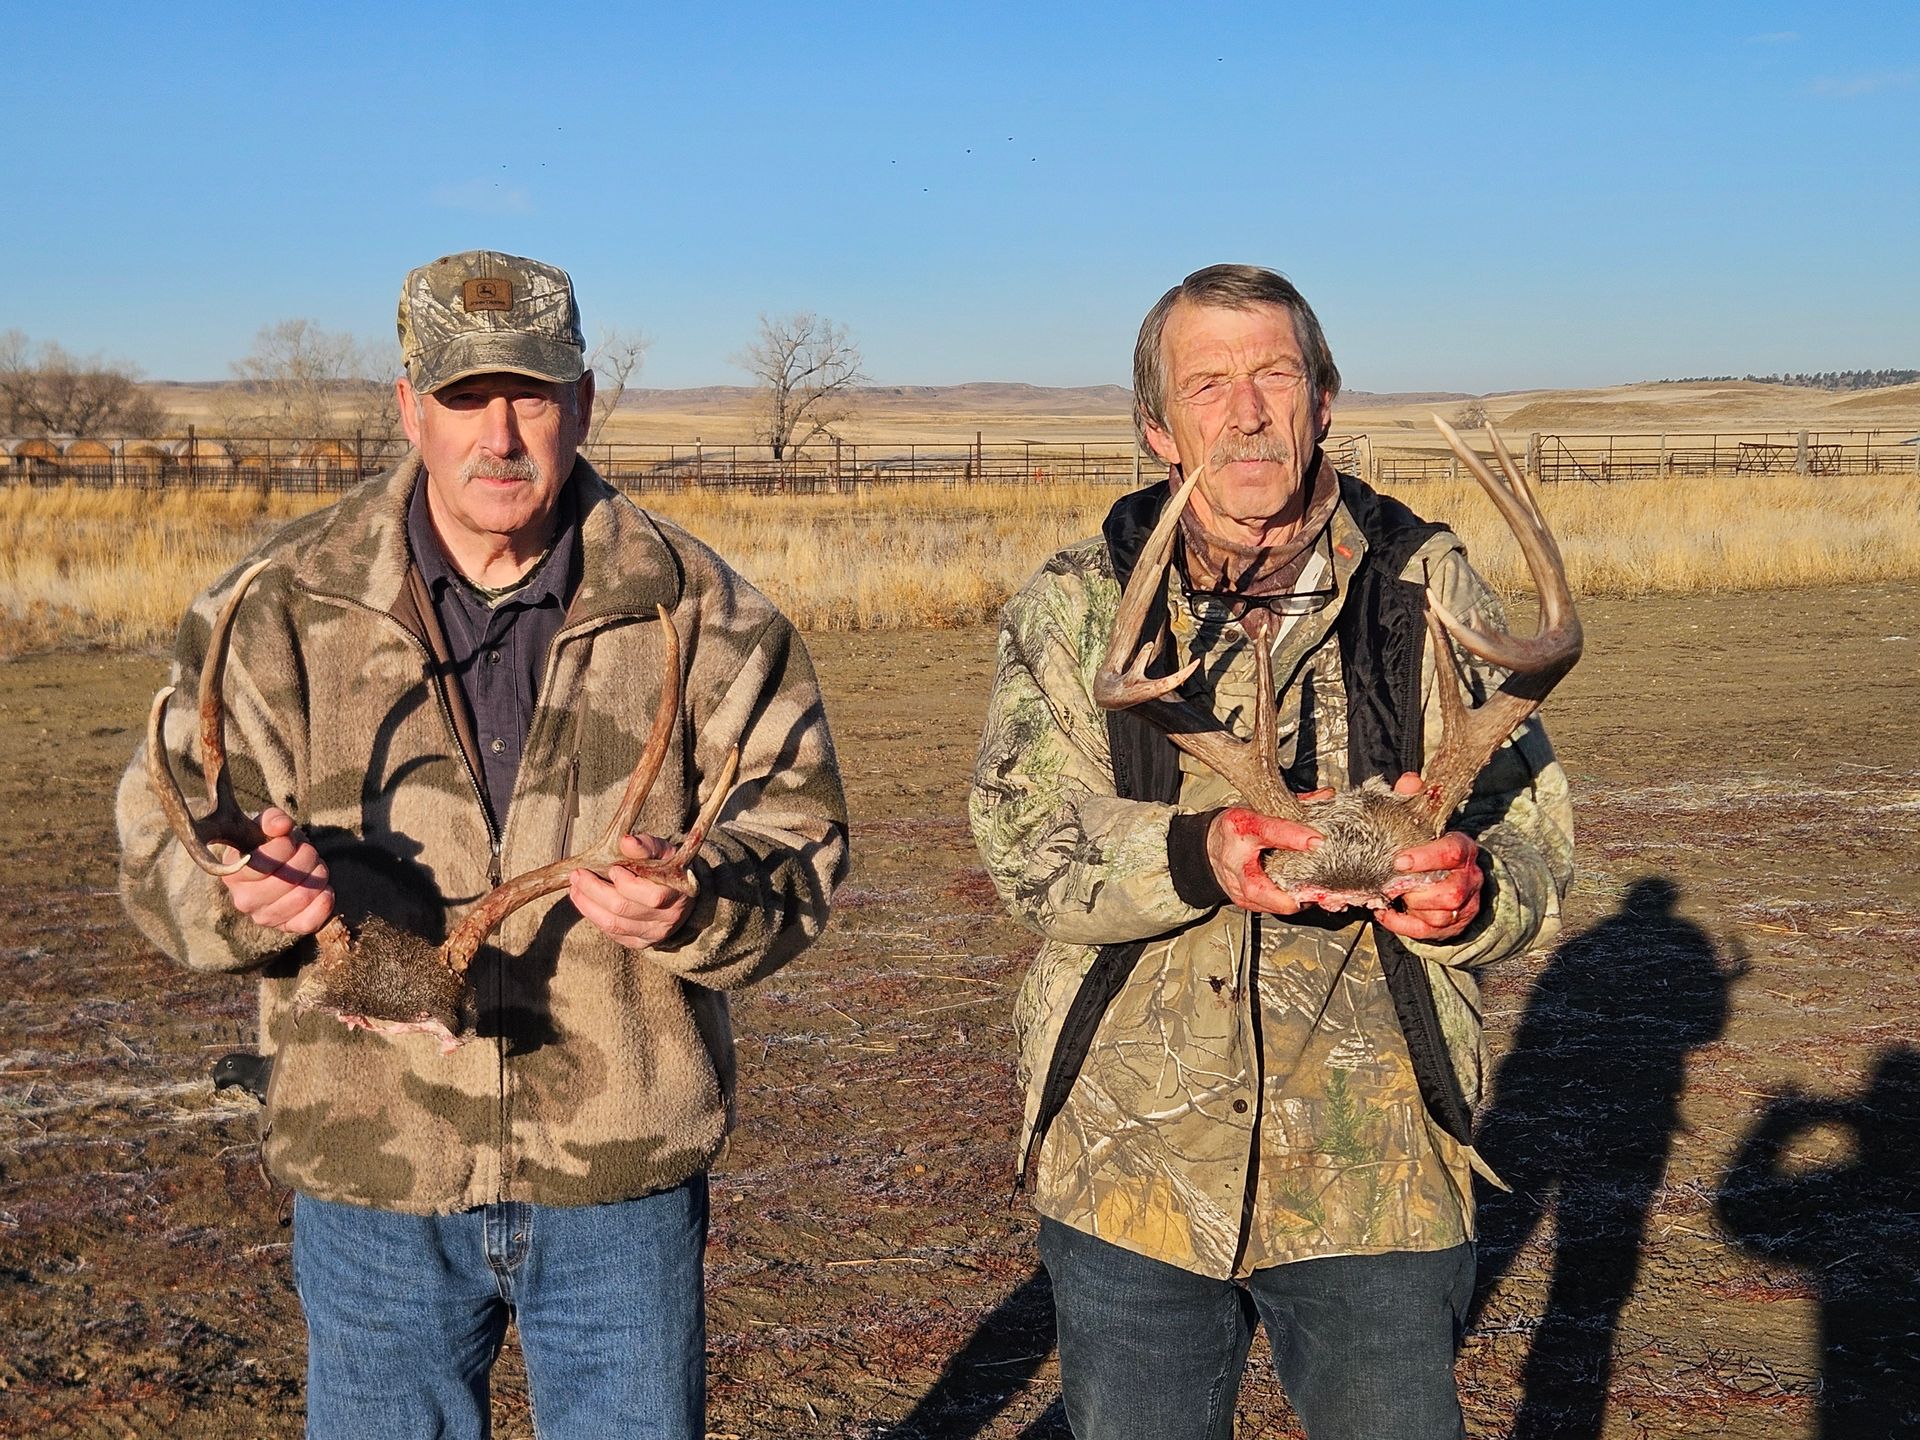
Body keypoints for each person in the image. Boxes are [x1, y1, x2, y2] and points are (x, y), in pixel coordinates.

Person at [118, 250, 848, 1439]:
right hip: (373, 1179)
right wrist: (241, 893)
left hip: (620, 1177)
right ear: (409, 406)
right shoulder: (273, 608)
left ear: (585, 402)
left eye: (532, 394)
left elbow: (802, 840)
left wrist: (699, 904)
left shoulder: (703, 609)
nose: (499, 434)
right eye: (464, 398)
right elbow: (162, 855)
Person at [969, 264, 1574, 1440]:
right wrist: (1197, 854)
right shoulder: (1080, 606)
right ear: (1158, 426)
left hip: (1379, 1159)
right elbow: (1026, 847)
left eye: (1275, 375)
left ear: (1326, 398)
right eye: (1208, 384)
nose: (1245, 410)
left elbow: (1535, 842)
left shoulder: (1429, 583)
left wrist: (1476, 891)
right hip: (1130, 1160)